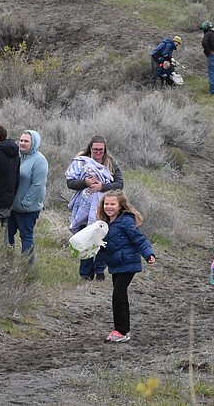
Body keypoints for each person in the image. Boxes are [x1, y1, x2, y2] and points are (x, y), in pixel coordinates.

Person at [98, 191, 155, 342]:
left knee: (118, 294)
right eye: (106, 203)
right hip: (116, 264)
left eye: (112, 204)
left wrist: (148, 254)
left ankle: (120, 331)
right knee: (120, 295)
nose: (108, 207)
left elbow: (139, 239)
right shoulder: (104, 223)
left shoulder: (126, 221)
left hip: (128, 263)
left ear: (120, 205)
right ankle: (125, 331)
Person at [67, 137, 124, 280]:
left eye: (101, 150)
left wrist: (102, 187)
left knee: (102, 237)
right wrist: (85, 182)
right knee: (85, 237)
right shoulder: (81, 162)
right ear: (90, 149)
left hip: (105, 207)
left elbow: (119, 184)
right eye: (95, 150)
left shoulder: (110, 163)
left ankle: (99, 270)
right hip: (84, 207)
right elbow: (70, 182)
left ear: (104, 150)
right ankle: (85, 273)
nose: (98, 152)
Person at [8, 130, 48, 264]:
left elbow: (38, 185)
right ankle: (6, 264)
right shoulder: (16, 156)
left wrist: (26, 203)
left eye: (26, 141)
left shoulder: (40, 160)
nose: (22, 143)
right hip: (11, 206)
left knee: (26, 236)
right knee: (7, 235)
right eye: (21, 140)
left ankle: (27, 268)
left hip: (28, 209)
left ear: (34, 143)